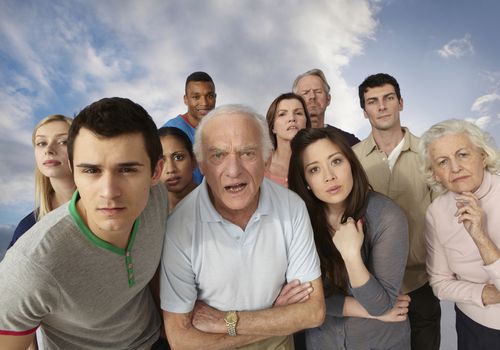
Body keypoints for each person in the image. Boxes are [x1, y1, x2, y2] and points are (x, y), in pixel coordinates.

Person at [0, 97, 168, 349]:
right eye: (91, 171)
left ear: (155, 172)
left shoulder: (156, 199)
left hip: (154, 340)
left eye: (127, 170)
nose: (109, 192)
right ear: (73, 170)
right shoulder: (32, 265)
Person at [160, 104, 325, 349]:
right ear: (202, 165)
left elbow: (313, 312)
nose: (234, 171)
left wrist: (226, 321)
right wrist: (275, 318)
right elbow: (181, 340)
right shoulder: (178, 228)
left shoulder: (292, 207)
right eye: (218, 155)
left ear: (267, 160)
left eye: (247, 153)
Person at [288, 127, 410, 349]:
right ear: (305, 181)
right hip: (322, 341)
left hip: (379, 342)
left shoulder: (386, 215)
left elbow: (380, 305)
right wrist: (366, 309)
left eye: (336, 161)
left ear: (351, 163)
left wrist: (351, 255)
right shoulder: (298, 220)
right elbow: (299, 298)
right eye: (314, 169)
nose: (329, 176)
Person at [353, 73, 441, 349]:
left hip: (421, 283)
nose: (381, 106)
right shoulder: (351, 160)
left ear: (400, 103)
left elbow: (444, 216)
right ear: (364, 111)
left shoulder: (430, 154)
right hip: (371, 288)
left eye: (388, 98)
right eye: (373, 101)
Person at [418, 119, 500, 349]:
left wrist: (479, 235)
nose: (455, 168)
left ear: (483, 156)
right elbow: (440, 283)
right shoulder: (437, 212)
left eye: (463, 154)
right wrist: (483, 293)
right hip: (473, 328)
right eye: (443, 162)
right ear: (434, 174)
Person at [9, 114, 75, 248]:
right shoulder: (28, 228)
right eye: (41, 143)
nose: (49, 150)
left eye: (63, 141)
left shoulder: (110, 209)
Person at [163, 71, 217, 184]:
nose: (204, 103)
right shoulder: (171, 132)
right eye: (196, 97)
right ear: (186, 99)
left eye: (210, 96)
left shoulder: (221, 130)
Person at [292, 68, 360, 145]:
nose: (312, 96)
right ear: (295, 101)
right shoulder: (286, 140)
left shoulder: (349, 142)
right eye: (305, 93)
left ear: (328, 99)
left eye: (318, 91)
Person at [264, 92, 311, 187]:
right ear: (273, 127)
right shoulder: (260, 165)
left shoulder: (317, 163)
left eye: (298, 113)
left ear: (306, 123)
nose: (292, 118)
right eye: (282, 114)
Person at [158, 127, 198, 212]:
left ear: (194, 160)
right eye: (161, 161)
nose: (171, 169)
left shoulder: (217, 203)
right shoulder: (149, 212)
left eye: (178, 157)